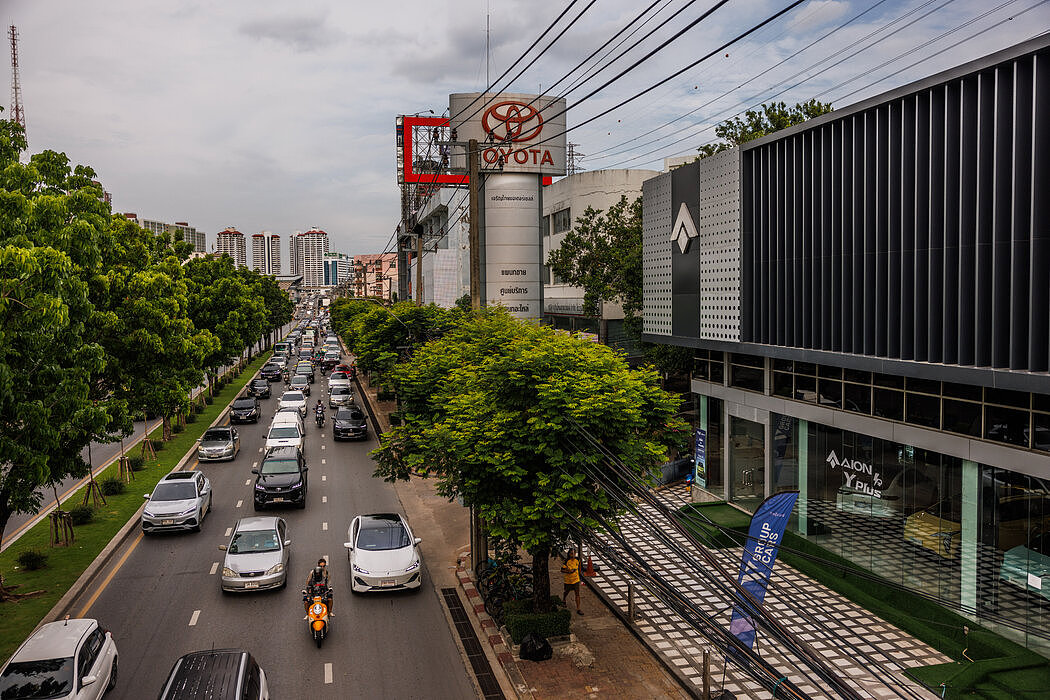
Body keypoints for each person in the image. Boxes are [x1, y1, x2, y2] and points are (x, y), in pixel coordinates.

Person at [561, 548, 583, 615]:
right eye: (571, 554)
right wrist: (568, 571)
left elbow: (579, 568)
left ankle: (578, 608)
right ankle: (564, 599)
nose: (573, 555)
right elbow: (562, 570)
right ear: (569, 554)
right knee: (566, 591)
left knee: (577, 594)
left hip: (576, 580)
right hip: (568, 580)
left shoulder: (577, 559)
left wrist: (579, 576)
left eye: (574, 553)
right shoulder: (567, 561)